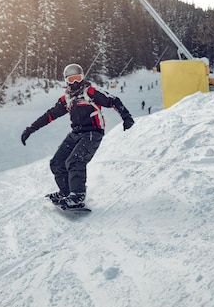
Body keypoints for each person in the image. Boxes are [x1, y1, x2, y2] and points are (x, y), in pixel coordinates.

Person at [20, 63, 134, 209]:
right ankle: (66, 192)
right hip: (76, 133)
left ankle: (77, 196)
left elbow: (113, 100)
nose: (75, 83)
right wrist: (30, 129)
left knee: (75, 161)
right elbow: (49, 115)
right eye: (71, 79)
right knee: (57, 162)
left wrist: (126, 117)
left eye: (78, 78)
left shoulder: (90, 92)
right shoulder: (67, 99)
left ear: (83, 78)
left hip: (93, 132)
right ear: (66, 81)